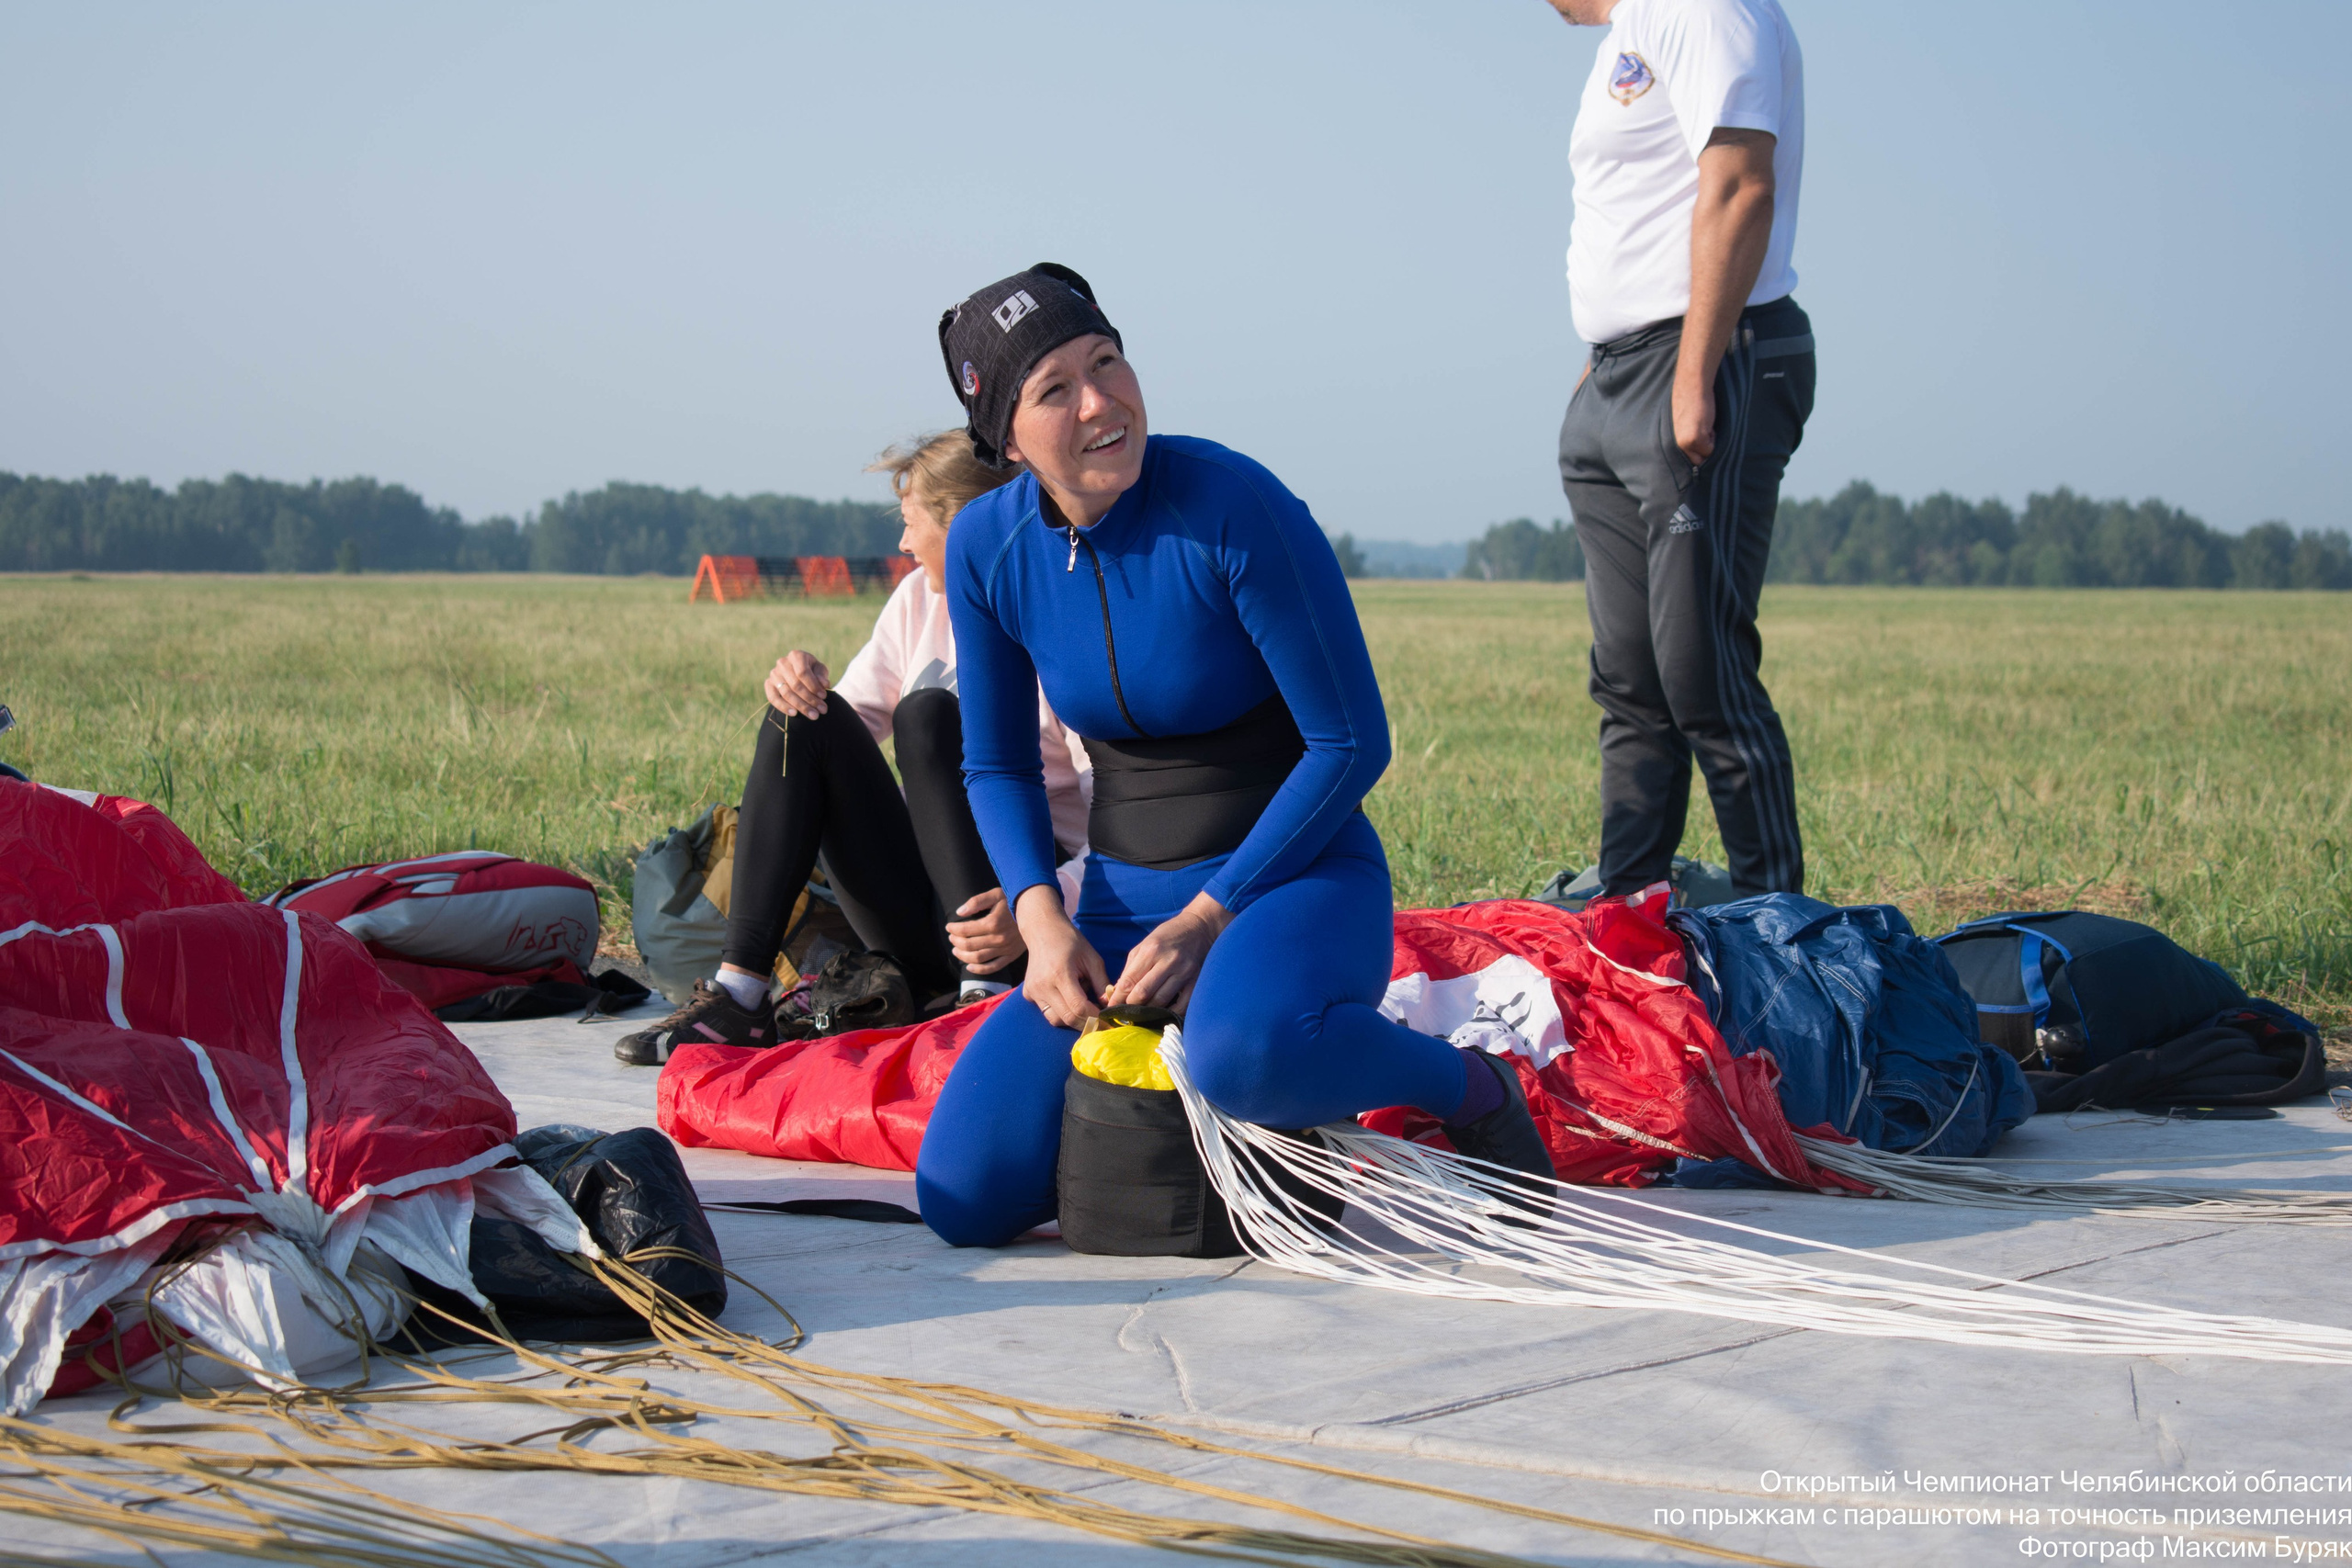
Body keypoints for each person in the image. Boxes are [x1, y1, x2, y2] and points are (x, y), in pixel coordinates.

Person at [914, 264, 1555, 1247]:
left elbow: (1350, 743)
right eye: (1055, 390)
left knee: (1242, 1056)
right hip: (1123, 905)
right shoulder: (986, 547)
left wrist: (1210, 919)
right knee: (964, 1198)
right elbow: (994, 764)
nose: (1102, 402)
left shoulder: (1229, 503)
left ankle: (1466, 1083)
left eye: (1108, 362)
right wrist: (1043, 926)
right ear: (1006, 438)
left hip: (1289, 879)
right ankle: (1214, 1123)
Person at [616, 432, 1091, 1066]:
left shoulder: (1072, 624)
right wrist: (798, 683)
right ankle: (740, 994)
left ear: (967, 524)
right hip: (928, 919)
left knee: (927, 717)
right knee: (800, 719)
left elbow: (1124, 822)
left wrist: (1043, 900)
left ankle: (983, 1000)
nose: (901, 544)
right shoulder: (918, 602)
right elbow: (843, 728)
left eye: (910, 523)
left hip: (1025, 925)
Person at [1545, 0, 1815, 898]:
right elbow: (1643, 209)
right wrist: (1602, 360)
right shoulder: (1631, 32)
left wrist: (1692, 373)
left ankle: (1779, 930)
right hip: (1623, 373)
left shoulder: (1697, 4)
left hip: (1707, 357)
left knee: (1702, 675)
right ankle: (1627, 922)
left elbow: (1741, 183)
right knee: (1630, 683)